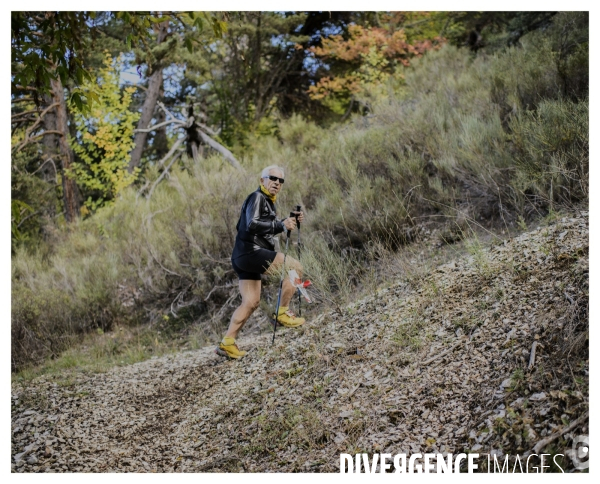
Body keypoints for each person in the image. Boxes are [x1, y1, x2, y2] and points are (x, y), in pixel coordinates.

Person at [216, 165, 306, 359]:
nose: (277, 183)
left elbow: (261, 225)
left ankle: (227, 343)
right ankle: (282, 312)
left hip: (241, 256)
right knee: (295, 267)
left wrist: (287, 221)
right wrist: (281, 225)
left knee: (251, 302)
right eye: (272, 178)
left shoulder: (267, 202)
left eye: (280, 181)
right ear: (262, 180)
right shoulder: (257, 197)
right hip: (251, 251)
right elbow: (252, 224)